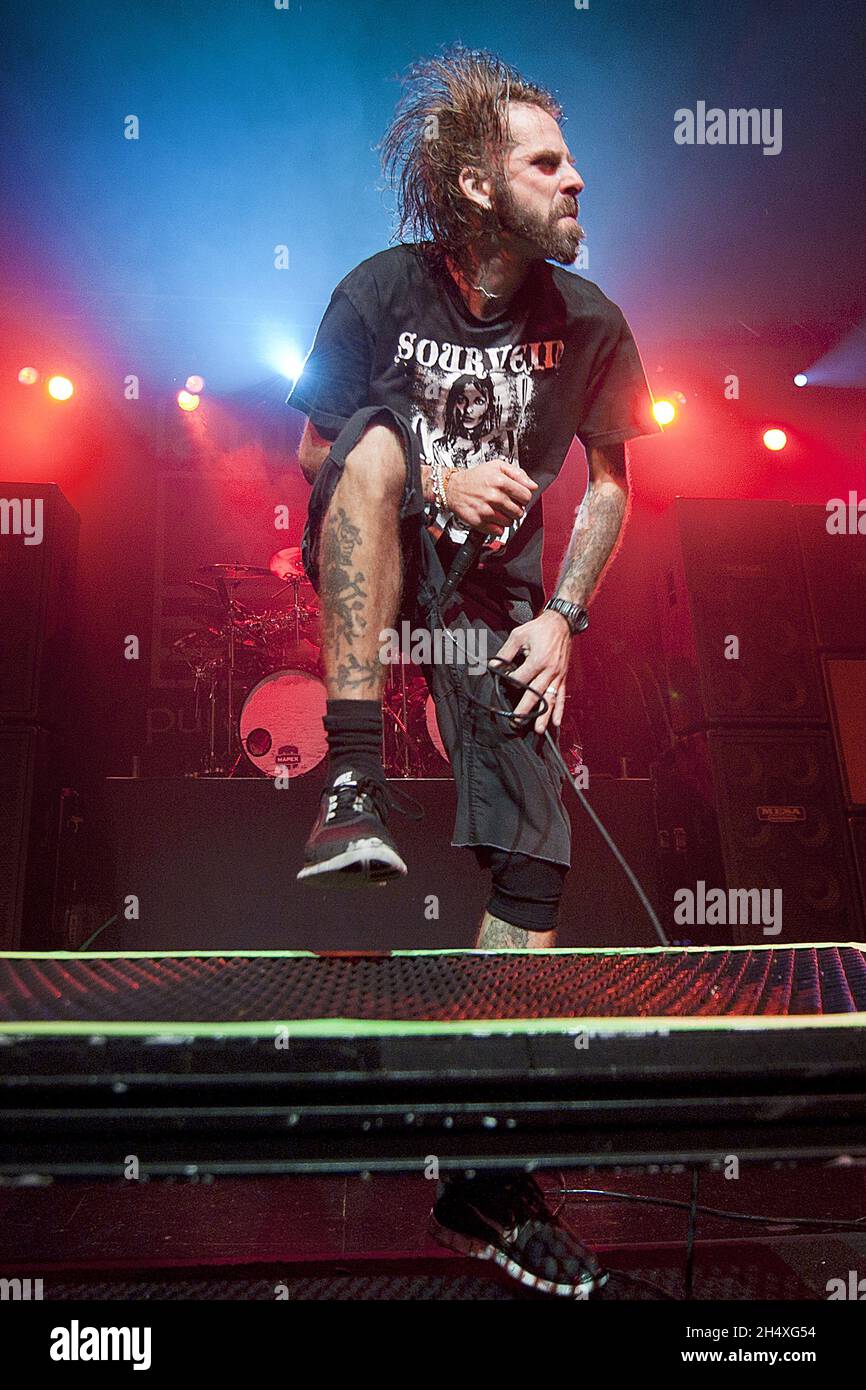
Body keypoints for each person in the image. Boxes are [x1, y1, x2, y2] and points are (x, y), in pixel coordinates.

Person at [288, 44, 658, 1298]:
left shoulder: (591, 323)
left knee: (538, 844)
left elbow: (610, 485)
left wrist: (561, 616)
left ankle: (481, 1163)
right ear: (469, 180)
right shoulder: (380, 292)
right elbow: (311, 455)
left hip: (490, 604)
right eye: (545, 162)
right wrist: (433, 475)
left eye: (572, 160)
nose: (575, 179)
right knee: (379, 434)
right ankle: (350, 783)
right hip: (377, 540)